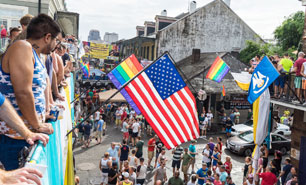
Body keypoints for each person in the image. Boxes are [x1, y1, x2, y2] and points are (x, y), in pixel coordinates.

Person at [0, 14, 59, 170]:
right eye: (56, 40)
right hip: (13, 139)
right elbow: (23, 93)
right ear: (47, 37)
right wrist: (37, 125)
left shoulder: (34, 54)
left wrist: (41, 115)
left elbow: (35, 90)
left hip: (23, 136)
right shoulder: (22, 47)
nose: (56, 45)